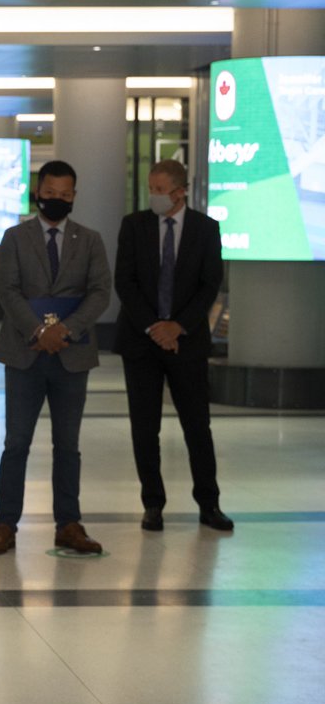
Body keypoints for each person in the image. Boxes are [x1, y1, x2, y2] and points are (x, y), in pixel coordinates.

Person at [0, 160, 111, 556]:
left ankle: (69, 524)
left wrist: (65, 331)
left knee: (68, 445)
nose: (57, 199)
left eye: (65, 194)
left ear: (74, 195)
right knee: (16, 442)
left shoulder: (89, 240)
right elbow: (8, 291)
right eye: (50, 193)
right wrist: (40, 331)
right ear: (38, 193)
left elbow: (100, 292)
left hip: (72, 356)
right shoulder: (15, 237)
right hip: (24, 355)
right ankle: (5, 525)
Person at [113, 159, 233, 532]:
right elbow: (125, 282)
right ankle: (153, 504)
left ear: (180, 191)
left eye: (161, 190)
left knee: (197, 426)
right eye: (151, 189)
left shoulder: (205, 229)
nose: (155, 196)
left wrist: (177, 327)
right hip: (141, 340)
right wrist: (154, 327)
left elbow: (209, 283)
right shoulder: (134, 226)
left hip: (187, 342)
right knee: (144, 427)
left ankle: (209, 504)